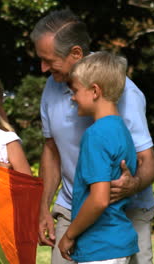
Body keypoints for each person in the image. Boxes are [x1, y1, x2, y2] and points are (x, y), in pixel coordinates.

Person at [30, 10, 154, 264]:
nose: (43, 68)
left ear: (76, 54)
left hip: (124, 211)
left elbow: (149, 161)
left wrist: (131, 185)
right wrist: (43, 206)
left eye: (49, 60)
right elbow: (51, 150)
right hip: (73, 205)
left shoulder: (125, 92)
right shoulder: (51, 87)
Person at [58, 51, 139, 263]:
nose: (73, 97)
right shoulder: (121, 129)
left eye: (75, 90)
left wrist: (69, 235)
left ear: (95, 91)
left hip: (100, 247)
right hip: (118, 243)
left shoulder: (96, 134)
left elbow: (99, 199)